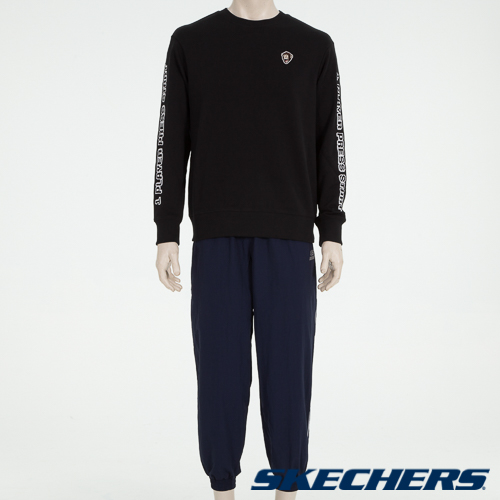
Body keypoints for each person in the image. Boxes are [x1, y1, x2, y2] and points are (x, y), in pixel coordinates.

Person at [153, 1, 347, 498]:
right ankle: (223, 490)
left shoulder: (313, 46)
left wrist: (331, 229)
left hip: (289, 237)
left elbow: (330, 141)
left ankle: (287, 489)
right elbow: (171, 139)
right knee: (220, 373)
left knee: (288, 377)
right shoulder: (191, 42)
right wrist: (167, 229)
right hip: (216, 237)